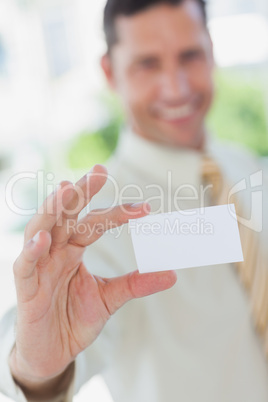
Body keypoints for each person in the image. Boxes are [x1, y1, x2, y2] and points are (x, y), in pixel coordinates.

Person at [0, 0, 268, 401]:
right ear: (110, 72)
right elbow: (46, 346)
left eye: (189, 55)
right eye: (147, 64)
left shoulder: (247, 167)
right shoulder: (98, 223)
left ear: (211, 49)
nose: (176, 87)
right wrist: (33, 368)